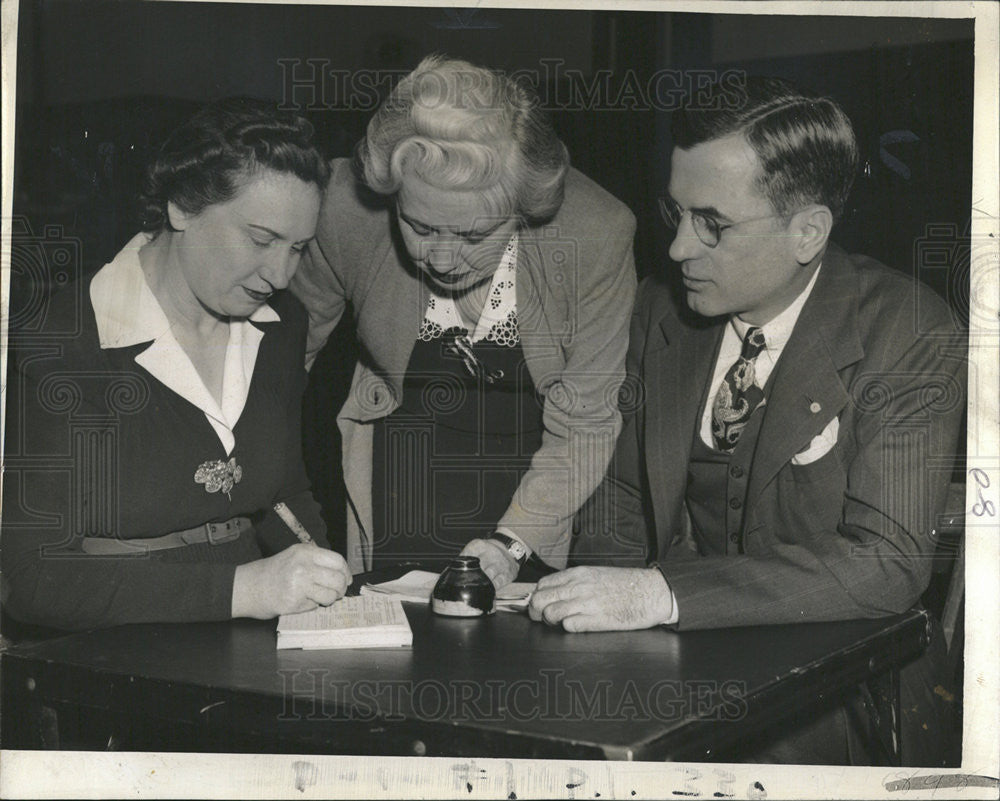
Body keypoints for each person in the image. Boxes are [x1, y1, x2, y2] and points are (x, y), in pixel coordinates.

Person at [529, 77, 966, 764]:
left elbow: (886, 564)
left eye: (713, 224)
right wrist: (605, 636)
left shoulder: (909, 332)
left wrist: (662, 593)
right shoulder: (660, 310)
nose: (677, 250)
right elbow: (619, 501)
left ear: (808, 231)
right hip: (666, 670)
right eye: (675, 214)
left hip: (840, 692)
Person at [2, 98, 352, 632]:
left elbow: (284, 495)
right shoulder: (60, 343)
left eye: (299, 248)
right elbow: (33, 581)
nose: (280, 275)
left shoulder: (282, 325)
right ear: (182, 207)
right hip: (105, 652)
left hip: (245, 633)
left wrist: (331, 588)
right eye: (262, 239)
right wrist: (245, 588)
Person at [290, 56, 637, 585]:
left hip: (538, 496)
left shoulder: (596, 234)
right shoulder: (346, 209)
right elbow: (283, 353)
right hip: (396, 487)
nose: (445, 260)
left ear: (524, 208)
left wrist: (510, 546)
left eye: (475, 236)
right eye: (419, 225)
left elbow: (585, 422)